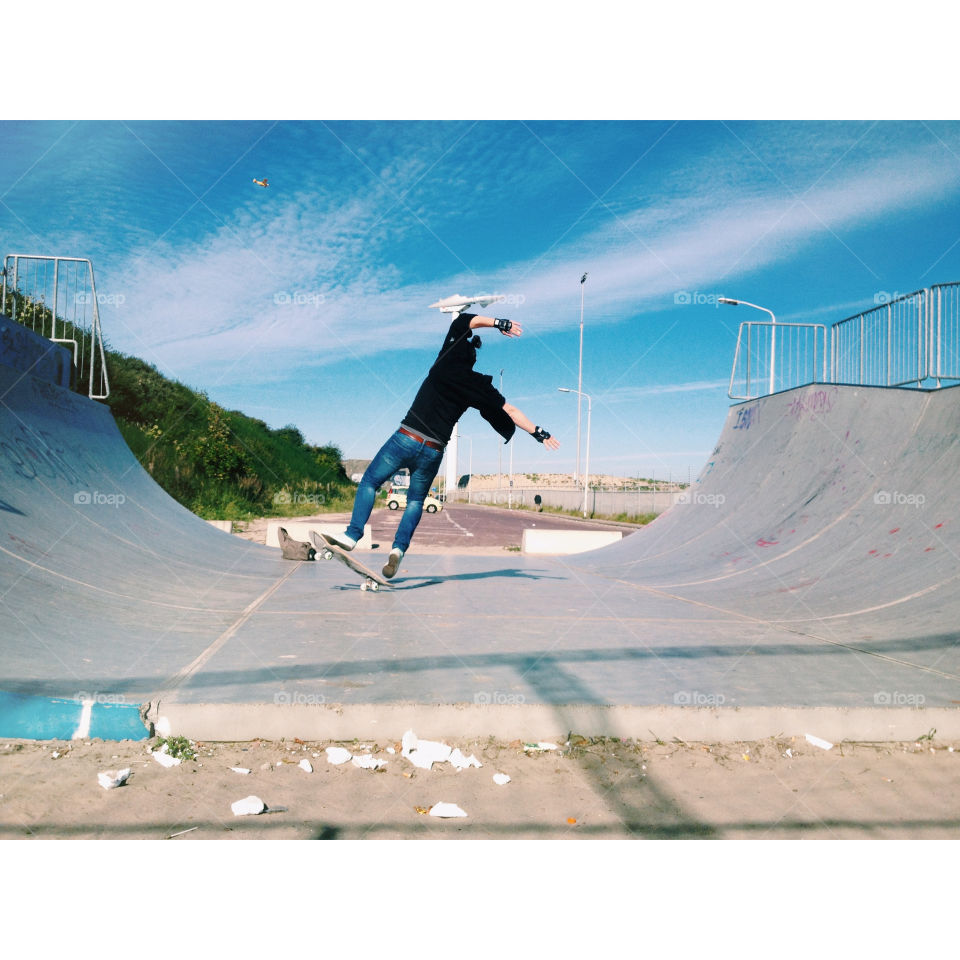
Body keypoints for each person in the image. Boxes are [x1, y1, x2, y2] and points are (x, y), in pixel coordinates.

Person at [326, 311, 560, 578]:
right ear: (473, 361)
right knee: (415, 501)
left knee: (370, 482)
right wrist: (539, 433)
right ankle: (398, 550)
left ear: (455, 346)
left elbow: (464, 320)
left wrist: (499, 323)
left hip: (406, 437)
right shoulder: (478, 385)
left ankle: (352, 534)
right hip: (433, 451)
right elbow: (512, 411)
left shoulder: (446, 359)